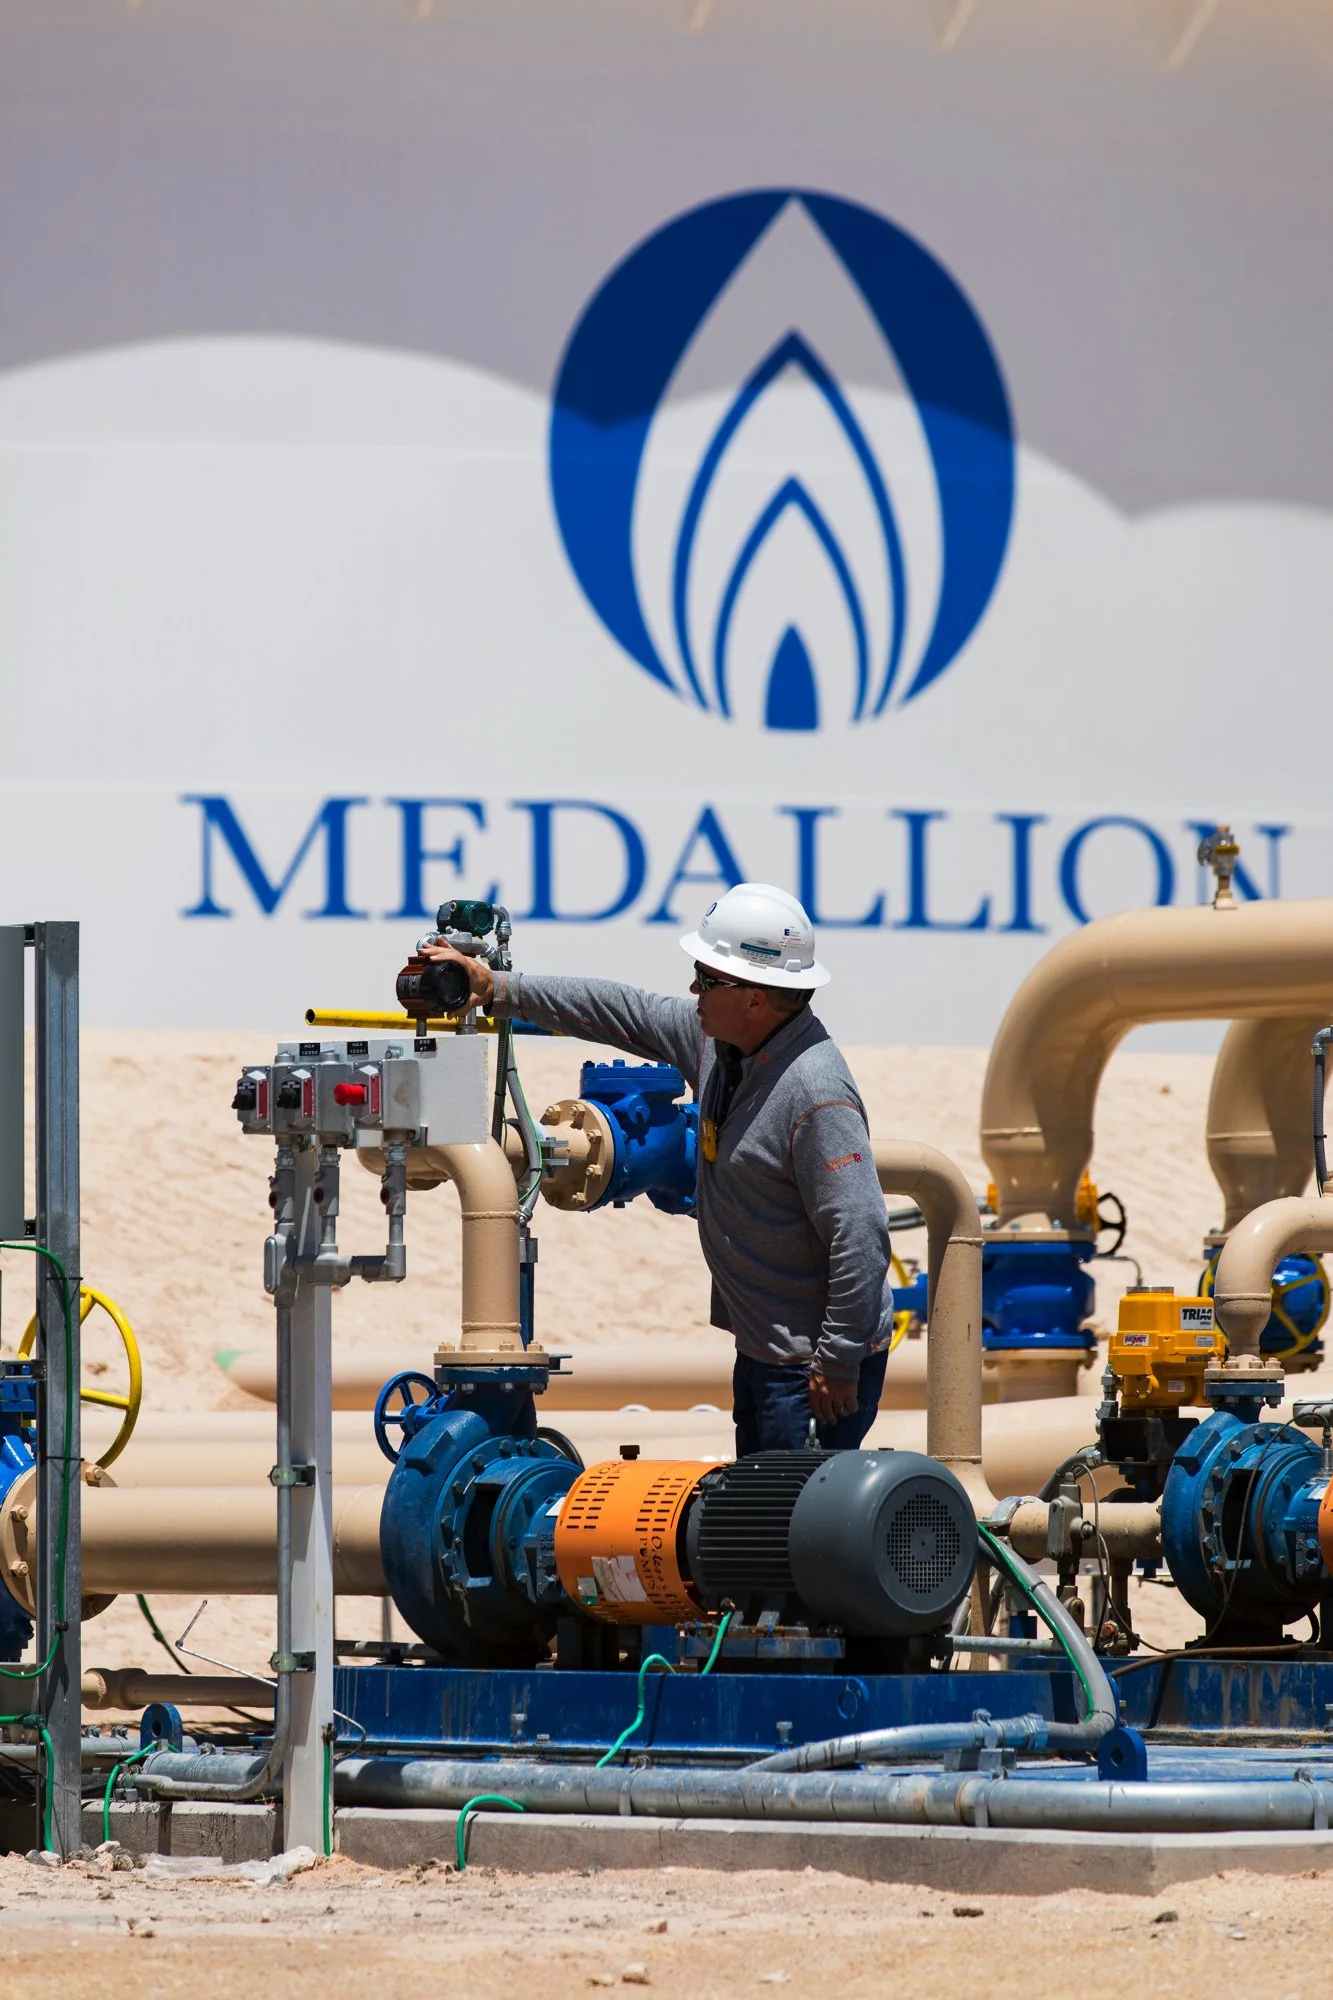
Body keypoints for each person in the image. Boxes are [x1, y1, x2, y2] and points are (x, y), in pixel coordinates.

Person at [423, 883, 891, 1454]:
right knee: (768, 1518)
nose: (694, 987)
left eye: (708, 977)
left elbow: (862, 1234)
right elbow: (617, 1009)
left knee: (787, 1531)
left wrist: (839, 1360)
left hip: (811, 1371)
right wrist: (497, 988)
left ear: (757, 997)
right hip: (768, 1352)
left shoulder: (816, 1095)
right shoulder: (718, 1041)